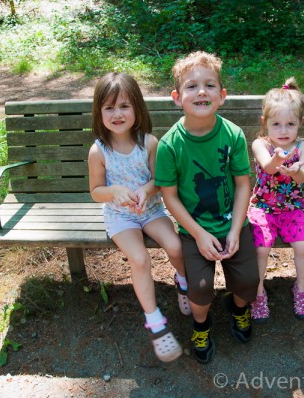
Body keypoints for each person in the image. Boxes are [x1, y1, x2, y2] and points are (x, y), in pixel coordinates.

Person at [155, 51, 260, 364]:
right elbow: (169, 196)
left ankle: (238, 309)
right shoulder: (170, 144)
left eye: (210, 85)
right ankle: (201, 325)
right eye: (192, 86)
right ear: (177, 97)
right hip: (194, 229)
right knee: (199, 291)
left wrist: (236, 229)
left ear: (222, 95)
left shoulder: (233, 134)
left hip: (234, 224)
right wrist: (198, 234)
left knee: (248, 282)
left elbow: (243, 184)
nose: (201, 91)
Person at [87, 72, 190, 363]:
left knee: (175, 246)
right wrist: (114, 191)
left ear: (137, 109)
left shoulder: (149, 143)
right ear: (99, 113)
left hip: (151, 211)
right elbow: (95, 191)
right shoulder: (99, 151)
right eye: (109, 108)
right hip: (121, 218)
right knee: (141, 259)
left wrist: (147, 189)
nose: (117, 114)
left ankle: (183, 282)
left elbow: (159, 180)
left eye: (124, 106)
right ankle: (156, 323)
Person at [247, 77, 304, 323]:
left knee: (303, 247)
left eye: (290, 124)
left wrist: (295, 170)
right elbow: (267, 166)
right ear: (265, 123)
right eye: (277, 124)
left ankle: (301, 290)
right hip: (262, 208)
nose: (283, 131)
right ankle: (257, 293)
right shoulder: (260, 144)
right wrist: (278, 160)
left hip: (292, 208)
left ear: (300, 123)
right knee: (261, 248)